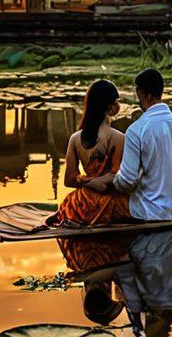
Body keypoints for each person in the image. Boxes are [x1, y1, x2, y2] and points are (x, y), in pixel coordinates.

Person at [86, 68, 172, 221]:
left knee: (96, 202)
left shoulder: (136, 130)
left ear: (142, 93)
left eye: (138, 93)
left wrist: (111, 180)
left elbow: (127, 182)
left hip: (149, 212)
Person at [53, 79, 131, 227]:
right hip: (111, 205)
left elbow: (69, 180)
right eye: (116, 102)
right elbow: (116, 176)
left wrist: (87, 181)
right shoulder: (119, 138)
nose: (118, 105)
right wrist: (97, 182)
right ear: (110, 107)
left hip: (81, 204)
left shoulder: (75, 139)